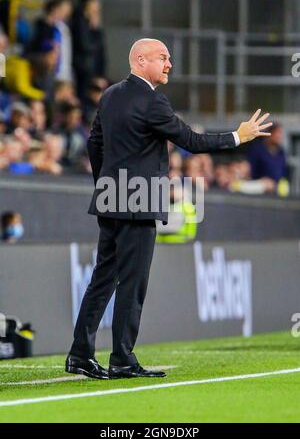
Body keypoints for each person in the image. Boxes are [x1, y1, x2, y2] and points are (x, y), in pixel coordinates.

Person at [66, 38, 272, 380]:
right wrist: (238, 136)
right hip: (140, 201)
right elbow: (191, 141)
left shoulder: (111, 95)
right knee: (132, 284)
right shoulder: (152, 101)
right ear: (140, 59)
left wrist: (108, 185)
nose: (169, 64)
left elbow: (94, 143)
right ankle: (121, 358)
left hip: (110, 199)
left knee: (102, 279)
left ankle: (80, 354)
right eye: (163, 57)